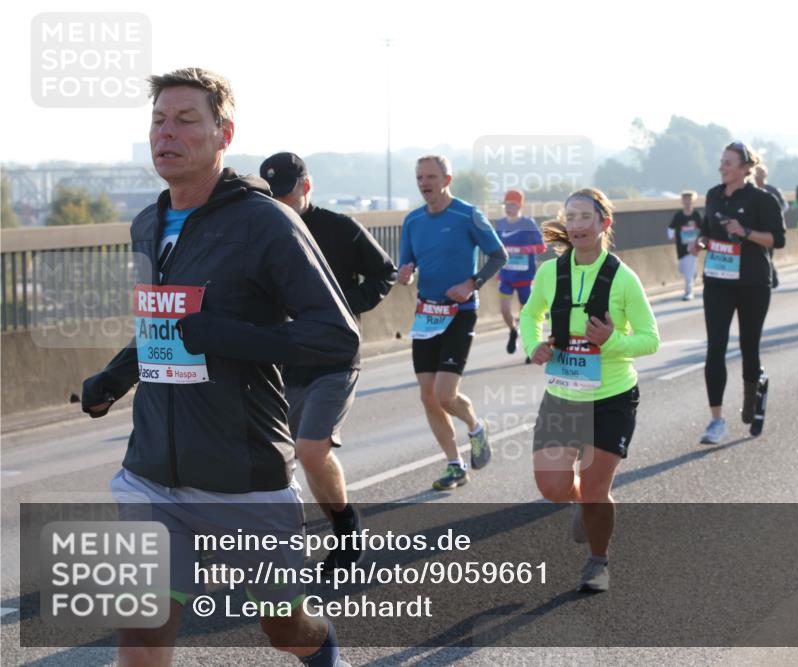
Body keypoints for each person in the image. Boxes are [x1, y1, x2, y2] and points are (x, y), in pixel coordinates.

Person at [80, 68, 357, 667]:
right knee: (143, 634)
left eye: (186, 120)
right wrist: (118, 374)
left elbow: (337, 338)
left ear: (223, 133)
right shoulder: (148, 223)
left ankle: (326, 653)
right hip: (151, 470)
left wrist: (231, 336)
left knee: (286, 629)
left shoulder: (266, 222)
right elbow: (168, 326)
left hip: (242, 477)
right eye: (158, 120)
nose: (167, 134)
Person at [260, 151, 397, 571]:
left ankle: (346, 526)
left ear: (307, 186)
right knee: (278, 459)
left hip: (336, 356)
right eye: (272, 197)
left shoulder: (340, 229)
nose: (280, 204)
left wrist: (341, 305)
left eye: (286, 194)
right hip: (284, 359)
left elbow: (385, 273)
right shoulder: (262, 230)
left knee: (311, 449)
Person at [520, 187, 659, 593]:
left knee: (597, 490)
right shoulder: (551, 272)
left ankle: (598, 562)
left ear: (604, 223)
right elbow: (531, 315)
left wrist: (613, 341)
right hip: (563, 395)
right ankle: (580, 504)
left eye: (585, 217)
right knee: (552, 488)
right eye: (571, 217)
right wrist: (534, 345)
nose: (576, 225)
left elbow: (650, 339)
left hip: (611, 397)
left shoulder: (623, 278)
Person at [397, 155, 508, 490]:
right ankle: (454, 465)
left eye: (431, 176)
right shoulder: (413, 220)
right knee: (428, 396)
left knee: (446, 395)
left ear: (447, 179)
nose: (424, 183)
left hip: (460, 312)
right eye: (419, 177)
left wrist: (471, 283)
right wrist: (405, 273)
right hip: (427, 313)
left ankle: (475, 427)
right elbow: (407, 264)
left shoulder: (467, 214)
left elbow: (499, 255)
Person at [688, 142, 785, 444]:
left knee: (748, 348)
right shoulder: (714, 196)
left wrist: (745, 232)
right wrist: (700, 242)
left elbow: (777, 240)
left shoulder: (762, 199)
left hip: (753, 282)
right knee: (715, 347)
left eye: (729, 162)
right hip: (717, 280)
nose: (723, 167)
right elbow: (707, 230)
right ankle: (716, 421)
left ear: (745, 167)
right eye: (721, 161)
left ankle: (755, 392)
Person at [493, 189, 545, 358]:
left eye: (513, 205)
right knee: (504, 310)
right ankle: (513, 330)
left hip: (524, 278)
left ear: (520, 206)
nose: (509, 208)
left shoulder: (528, 224)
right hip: (506, 277)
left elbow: (542, 247)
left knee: (526, 315)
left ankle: (529, 348)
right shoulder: (500, 224)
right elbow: (495, 249)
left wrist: (525, 250)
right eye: (507, 205)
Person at [753, 166, 788, 289]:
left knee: (768, 254)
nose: (759, 179)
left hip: (770, 230)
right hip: (756, 230)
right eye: (757, 176)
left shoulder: (772, 191)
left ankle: (771, 277)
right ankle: (769, 277)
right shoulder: (751, 191)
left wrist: (775, 217)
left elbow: (784, 206)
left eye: (761, 176)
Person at [667, 190, 703, 300]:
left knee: (688, 269)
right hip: (681, 246)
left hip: (692, 247)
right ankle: (693, 273)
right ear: (682, 201)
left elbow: (703, 229)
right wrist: (671, 237)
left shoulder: (696, 215)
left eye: (689, 199)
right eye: (685, 199)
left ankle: (688, 292)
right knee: (683, 269)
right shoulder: (678, 215)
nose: (687, 201)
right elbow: (670, 228)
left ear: (693, 201)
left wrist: (699, 241)